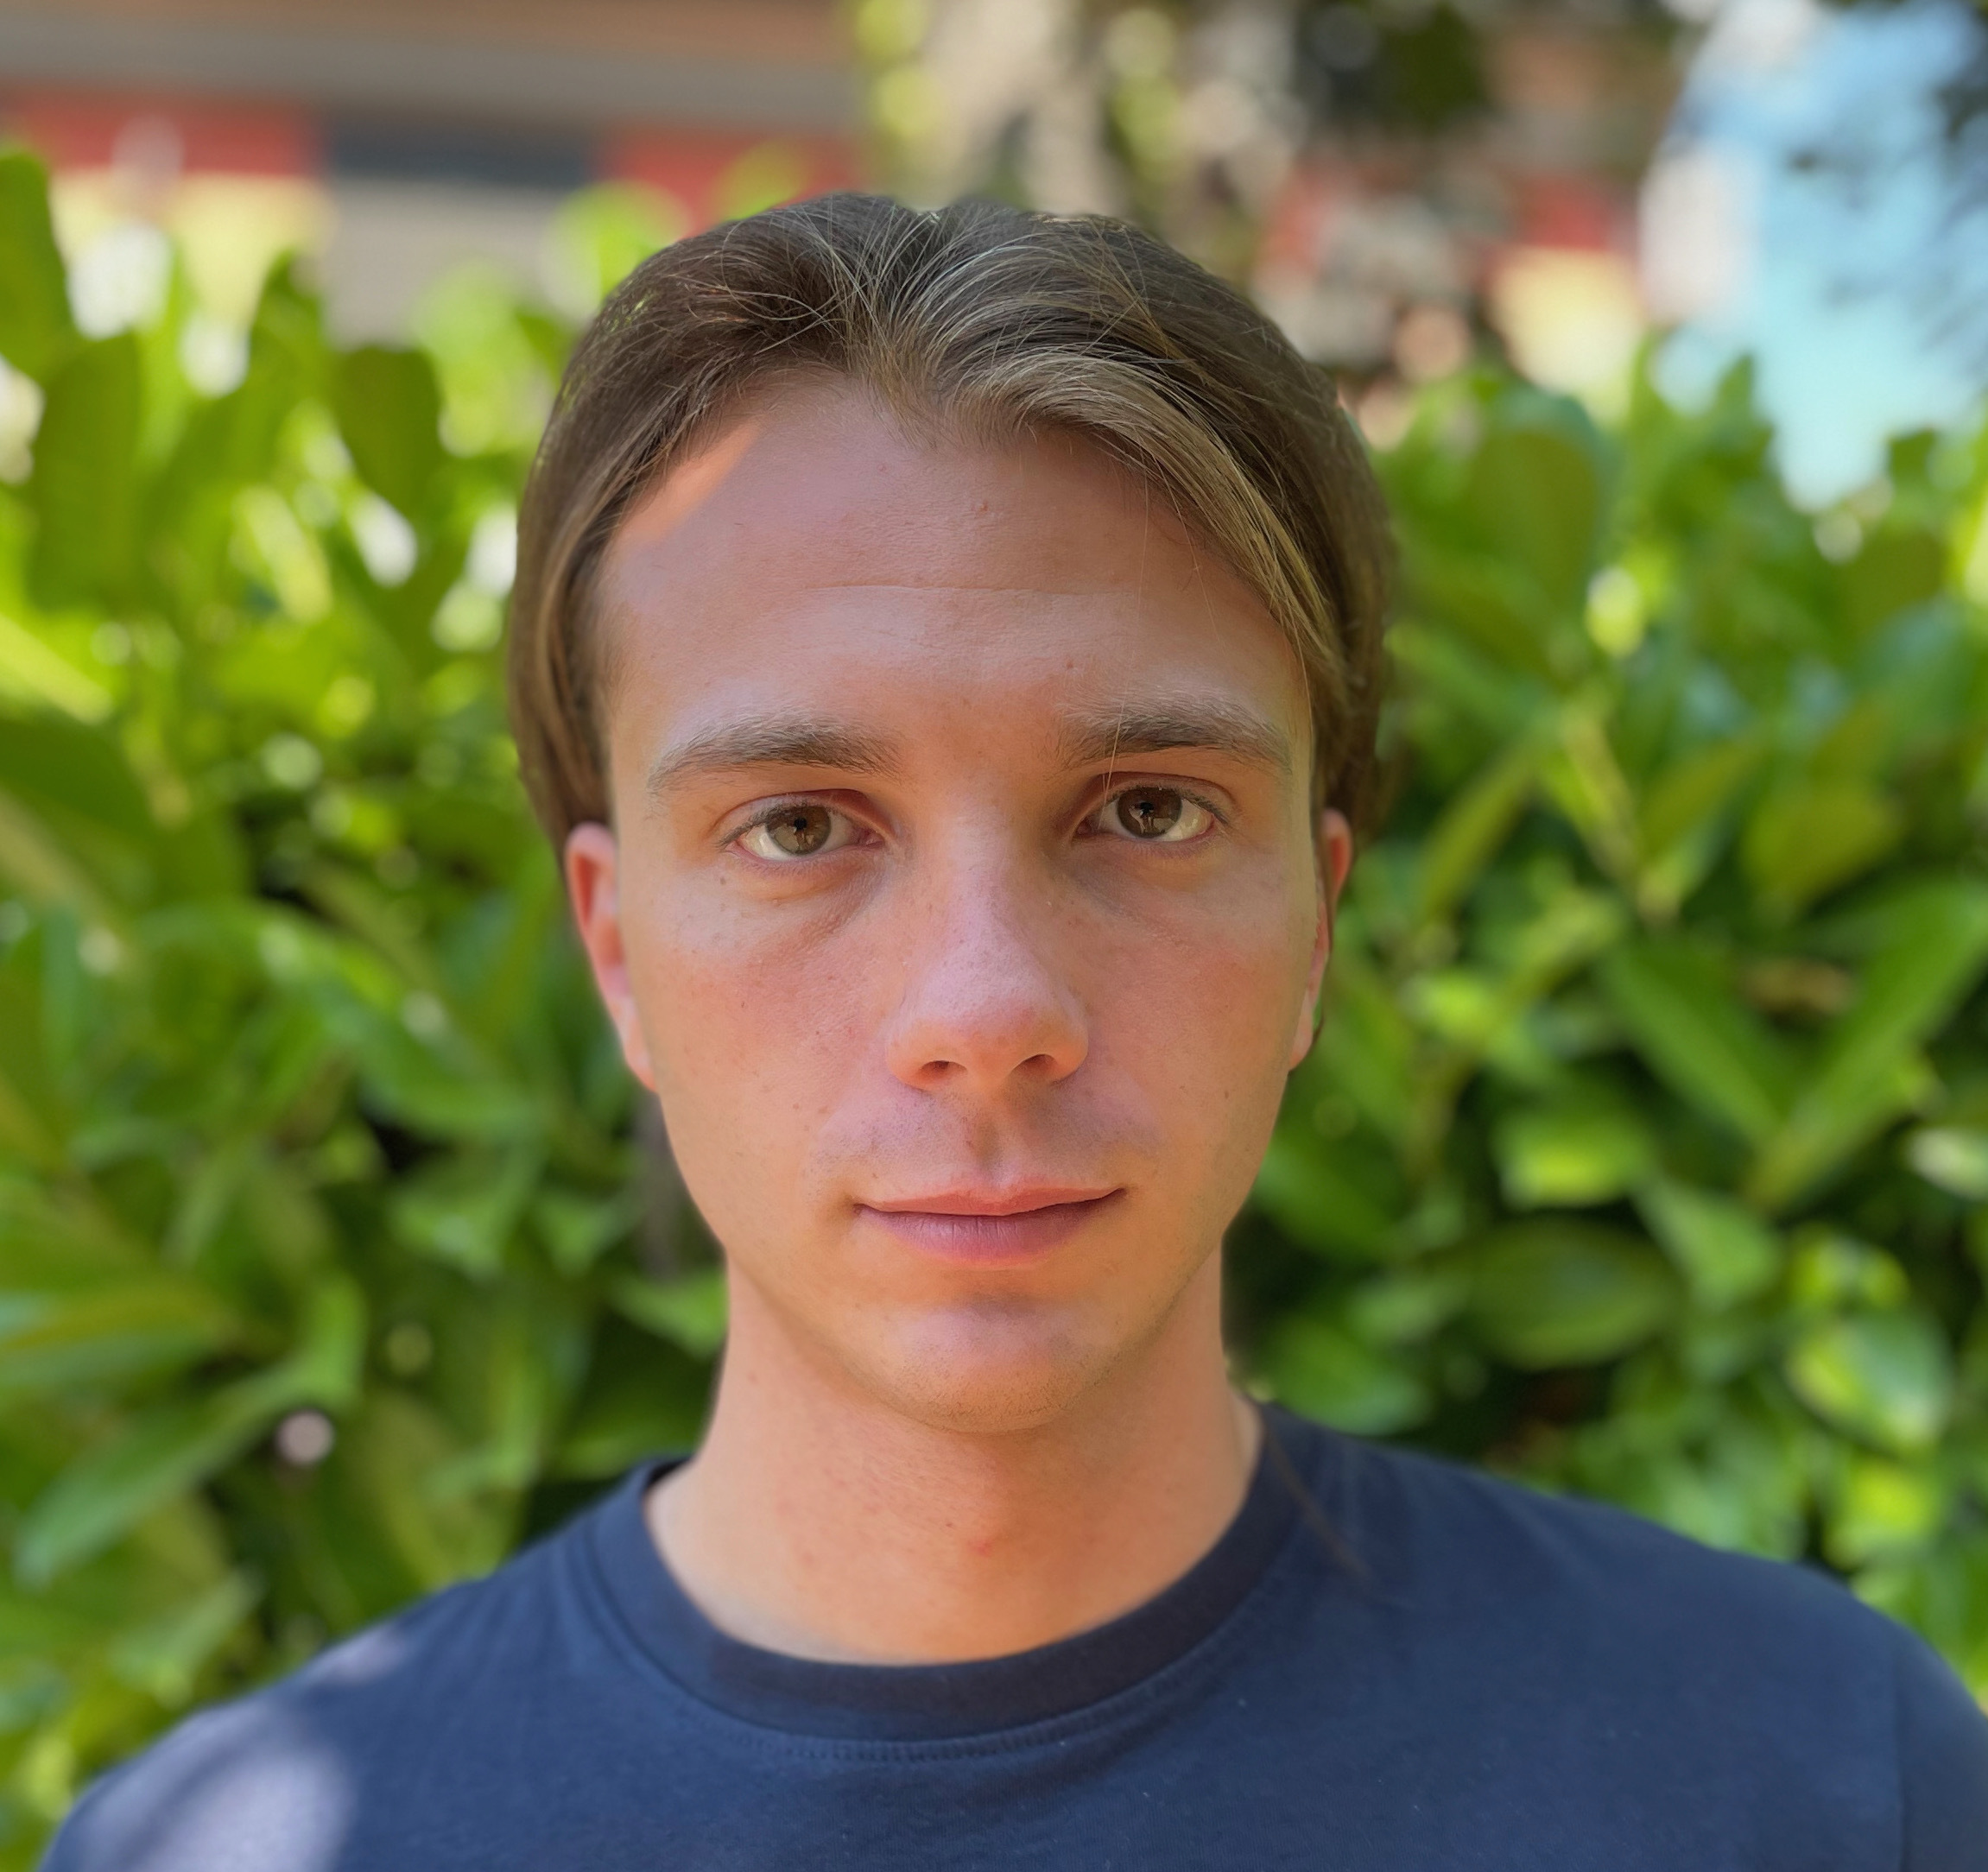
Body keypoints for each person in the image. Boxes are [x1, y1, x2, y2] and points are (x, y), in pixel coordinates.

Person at [44, 194, 1988, 1872]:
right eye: (798, 828)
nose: (984, 1014)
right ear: (616, 951)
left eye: (1143, 809)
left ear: (1315, 923)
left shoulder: (1814, 1779)